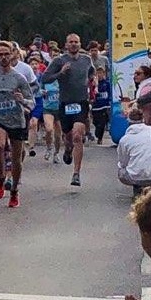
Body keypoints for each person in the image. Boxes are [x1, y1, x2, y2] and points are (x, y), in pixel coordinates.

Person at [40, 33, 95, 187]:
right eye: (71, 42)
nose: (73, 45)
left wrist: (91, 79)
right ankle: (68, 149)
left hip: (81, 102)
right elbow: (45, 79)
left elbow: (91, 72)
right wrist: (61, 73)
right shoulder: (59, 60)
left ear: (80, 44)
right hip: (65, 102)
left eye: (76, 42)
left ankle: (76, 173)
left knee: (78, 136)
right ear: (66, 44)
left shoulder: (86, 59)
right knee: (69, 137)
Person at [0, 41, 34, 207]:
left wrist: (23, 100)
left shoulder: (19, 78)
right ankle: (1, 176)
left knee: (16, 158)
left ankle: (14, 190)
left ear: (13, 54)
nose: (3, 57)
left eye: (6, 54)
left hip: (17, 121)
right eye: (0, 54)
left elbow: (32, 102)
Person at [116, 108, 151, 197]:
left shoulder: (125, 140)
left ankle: (138, 188)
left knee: (121, 168)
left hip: (136, 177)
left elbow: (123, 162)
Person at [91, 66, 112, 144]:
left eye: (101, 73)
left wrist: (109, 102)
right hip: (96, 107)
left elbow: (110, 93)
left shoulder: (107, 83)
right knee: (96, 122)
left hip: (104, 106)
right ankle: (97, 132)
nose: (99, 75)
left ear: (104, 74)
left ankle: (100, 138)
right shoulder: (94, 83)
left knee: (102, 123)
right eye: (98, 73)